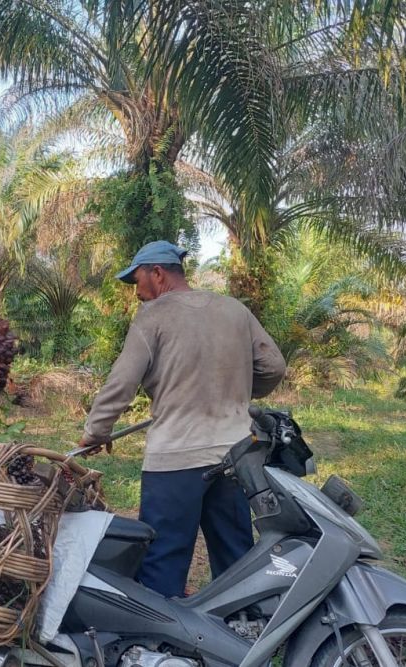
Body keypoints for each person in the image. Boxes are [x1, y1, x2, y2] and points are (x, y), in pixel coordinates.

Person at [79, 240, 286, 599]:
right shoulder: (234, 309)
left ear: (157, 273)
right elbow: (274, 366)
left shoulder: (153, 316)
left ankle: (163, 632)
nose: (136, 292)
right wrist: (236, 395)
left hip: (176, 459)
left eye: (137, 281)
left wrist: (95, 432)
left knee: (162, 562)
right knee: (236, 559)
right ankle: (241, 624)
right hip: (235, 456)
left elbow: (121, 382)